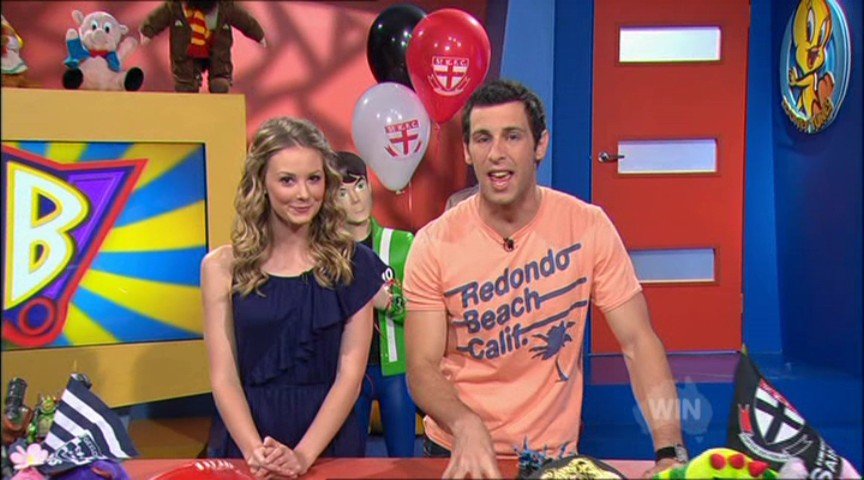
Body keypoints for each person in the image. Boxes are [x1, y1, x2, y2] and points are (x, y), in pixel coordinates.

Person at [403, 79, 686, 478]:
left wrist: (670, 449)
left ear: (540, 145)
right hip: (458, 450)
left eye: (512, 136)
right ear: (467, 150)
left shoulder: (587, 226)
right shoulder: (433, 244)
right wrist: (465, 424)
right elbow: (422, 367)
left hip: (554, 457)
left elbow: (638, 342)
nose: (496, 154)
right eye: (483, 139)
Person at [202, 117, 386, 478]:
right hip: (247, 441)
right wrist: (257, 454)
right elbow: (224, 377)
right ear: (261, 184)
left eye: (313, 179)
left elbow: (350, 377)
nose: (304, 194)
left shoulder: (355, 265)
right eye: (288, 180)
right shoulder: (222, 267)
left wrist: (301, 456)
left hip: (327, 443)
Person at [333, 151, 418, 458]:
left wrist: (388, 303)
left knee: (403, 461)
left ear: (370, 187)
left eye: (360, 186)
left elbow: (423, 311)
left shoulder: (402, 243)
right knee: (348, 461)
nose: (355, 199)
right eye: (343, 192)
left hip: (396, 370)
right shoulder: (327, 253)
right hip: (347, 371)